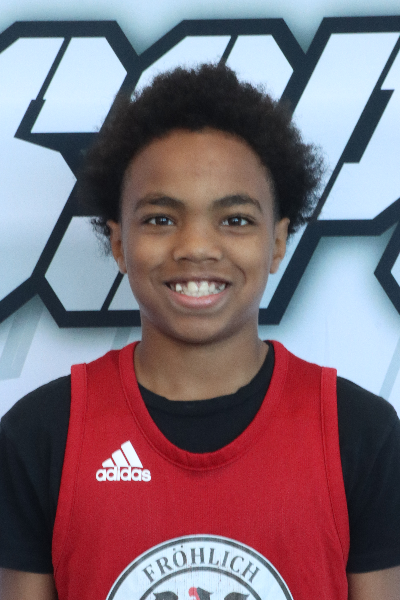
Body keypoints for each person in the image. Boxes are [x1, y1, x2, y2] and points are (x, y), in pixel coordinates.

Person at [0, 63, 400, 600]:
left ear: (278, 241)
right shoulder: (40, 434)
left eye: (235, 219)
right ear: (118, 243)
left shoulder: (361, 433)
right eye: (161, 219)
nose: (196, 247)